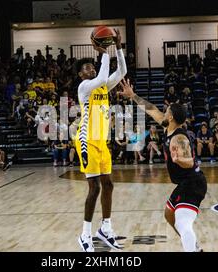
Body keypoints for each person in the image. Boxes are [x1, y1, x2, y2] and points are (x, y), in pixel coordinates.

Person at [119, 79, 207, 252]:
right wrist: (133, 95)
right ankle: (193, 246)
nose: (163, 112)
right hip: (185, 183)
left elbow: (190, 162)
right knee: (169, 214)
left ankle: (193, 250)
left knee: (182, 222)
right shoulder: (168, 127)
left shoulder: (179, 138)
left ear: (172, 116)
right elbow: (151, 110)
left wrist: (179, 159)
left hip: (193, 183)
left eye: (166, 111)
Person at [75, 29, 126, 252]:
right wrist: (103, 51)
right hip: (86, 140)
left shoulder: (103, 85)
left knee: (108, 185)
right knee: (94, 188)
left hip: (102, 142)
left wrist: (118, 46)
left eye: (91, 66)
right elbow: (103, 77)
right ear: (80, 75)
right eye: (86, 68)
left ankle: (105, 228)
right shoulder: (85, 87)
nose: (91, 68)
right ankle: (85, 234)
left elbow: (121, 71)